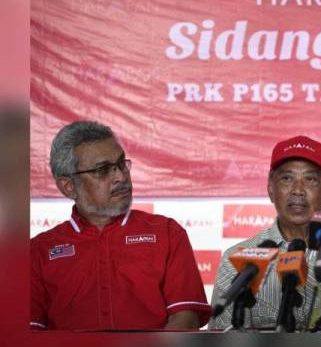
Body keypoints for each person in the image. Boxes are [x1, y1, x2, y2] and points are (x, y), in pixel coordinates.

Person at [30, 121, 211, 331]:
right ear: (68, 187)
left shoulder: (167, 233)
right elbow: (27, 337)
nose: (120, 176)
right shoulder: (37, 252)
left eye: (121, 164)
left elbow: (186, 321)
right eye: (103, 170)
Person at [209, 135, 321, 331]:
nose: (298, 190)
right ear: (270, 188)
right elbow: (223, 342)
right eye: (287, 178)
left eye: (311, 179)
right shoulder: (238, 259)